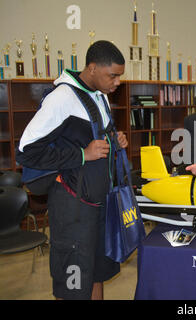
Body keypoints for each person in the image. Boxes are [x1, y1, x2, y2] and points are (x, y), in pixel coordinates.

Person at [16, 40, 128, 300]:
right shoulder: (62, 98)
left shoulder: (100, 96)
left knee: (96, 272)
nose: (117, 82)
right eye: (113, 75)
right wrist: (82, 154)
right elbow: (26, 150)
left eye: (120, 76)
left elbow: (94, 138)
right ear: (92, 68)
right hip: (73, 209)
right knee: (74, 282)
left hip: (99, 203)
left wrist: (115, 140)